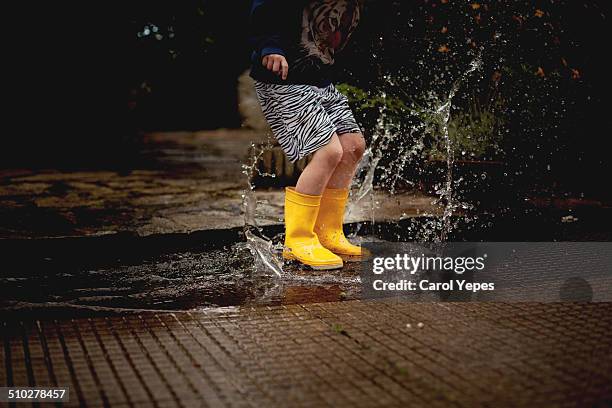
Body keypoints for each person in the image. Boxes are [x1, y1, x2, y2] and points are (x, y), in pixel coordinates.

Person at [250, 0, 366, 270]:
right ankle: (298, 239)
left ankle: (327, 232)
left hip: (320, 79)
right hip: (283, 79)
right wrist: (270, 46)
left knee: (352, 146)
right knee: (329, 151)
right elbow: (265, 7)